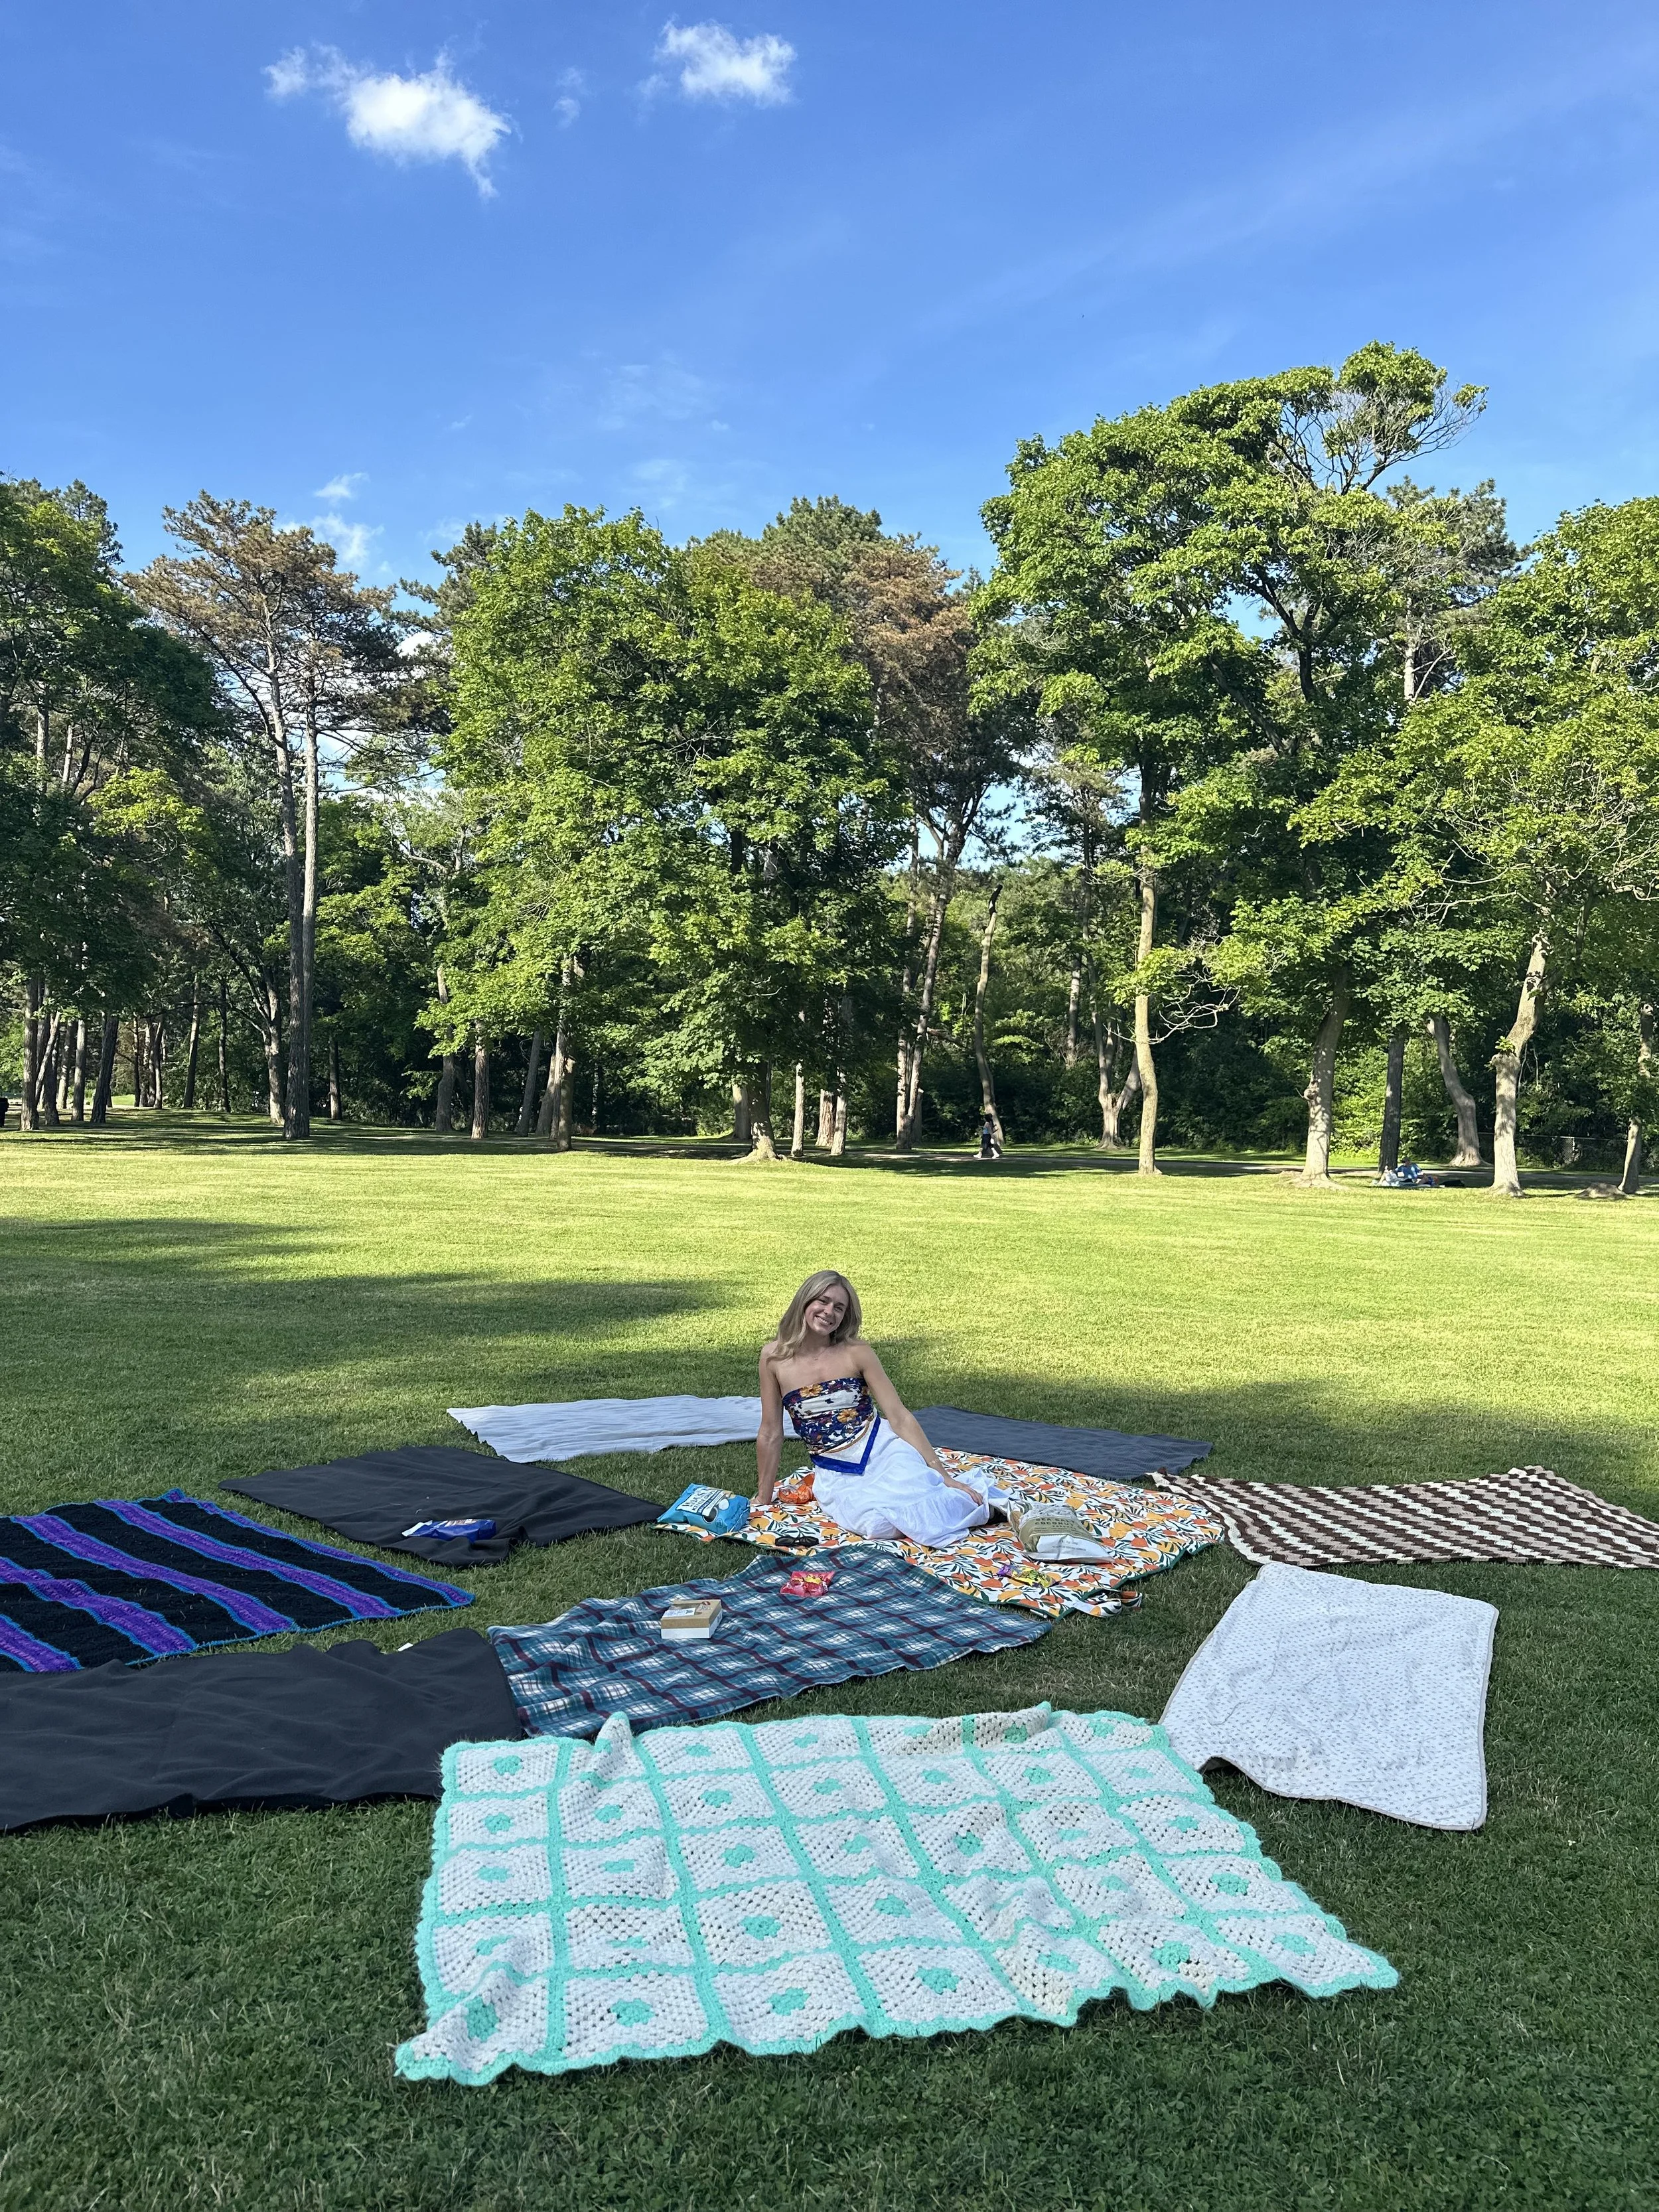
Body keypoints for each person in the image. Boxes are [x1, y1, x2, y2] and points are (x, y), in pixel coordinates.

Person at [757, 1269, 1009, 1546]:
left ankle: (975, 1504)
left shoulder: (857, 1352)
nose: (829, 1312)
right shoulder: (774, 1357)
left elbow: (899, 1416)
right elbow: (771, 1433)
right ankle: (966, 1508)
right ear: (805, 1301)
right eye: (823, 1301)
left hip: (883, 1448)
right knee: (878, 1523)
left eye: (839, 1308)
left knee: (918, 1498)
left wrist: (943, 1474)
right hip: (834, 1468)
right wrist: (763, 1497)